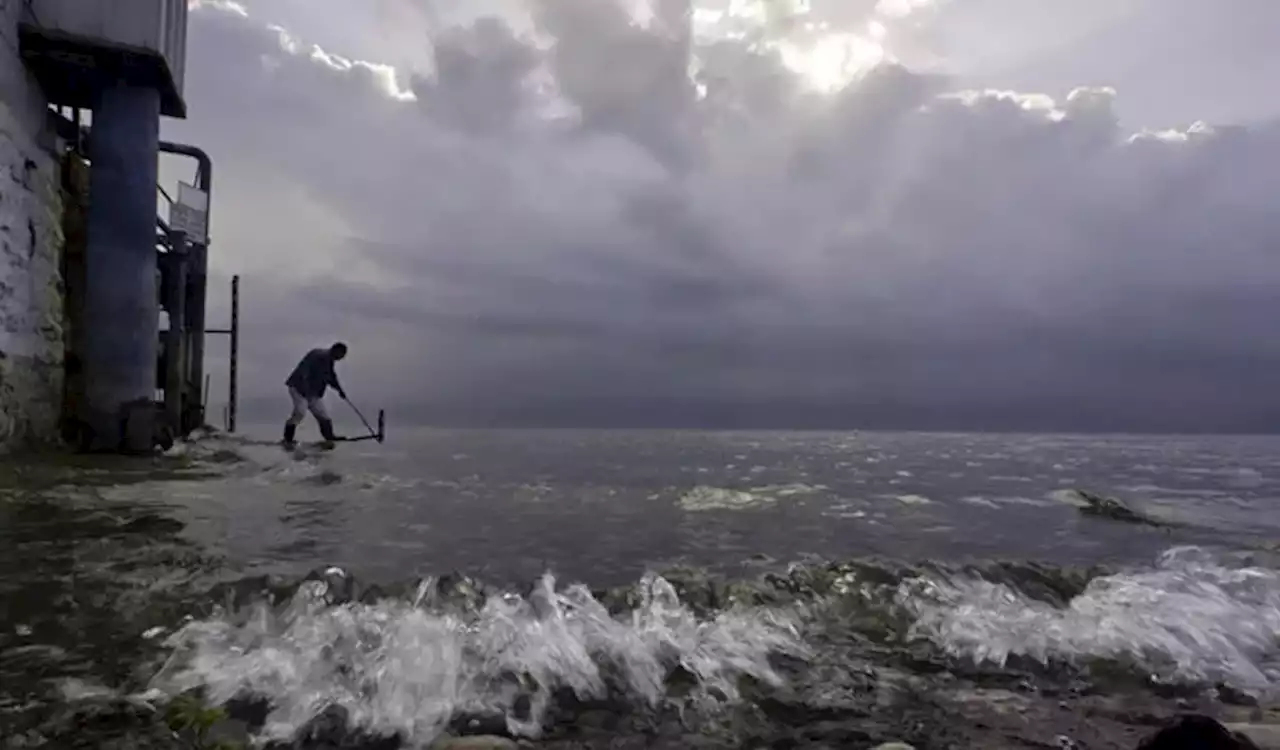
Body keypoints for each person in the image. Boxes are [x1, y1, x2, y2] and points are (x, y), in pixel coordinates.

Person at [282, 342, 348, 445]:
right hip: (298, 388)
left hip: (313, 393)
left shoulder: (329, 361)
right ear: (335, 350)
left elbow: (331, 377)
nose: (341, 358)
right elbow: (304, 371)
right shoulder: (317, 355)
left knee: (323, 416)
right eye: (341, 355)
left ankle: (330, 438)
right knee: (300, 412)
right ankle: (287, 440)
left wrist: (340, 390)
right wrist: (305, 388)